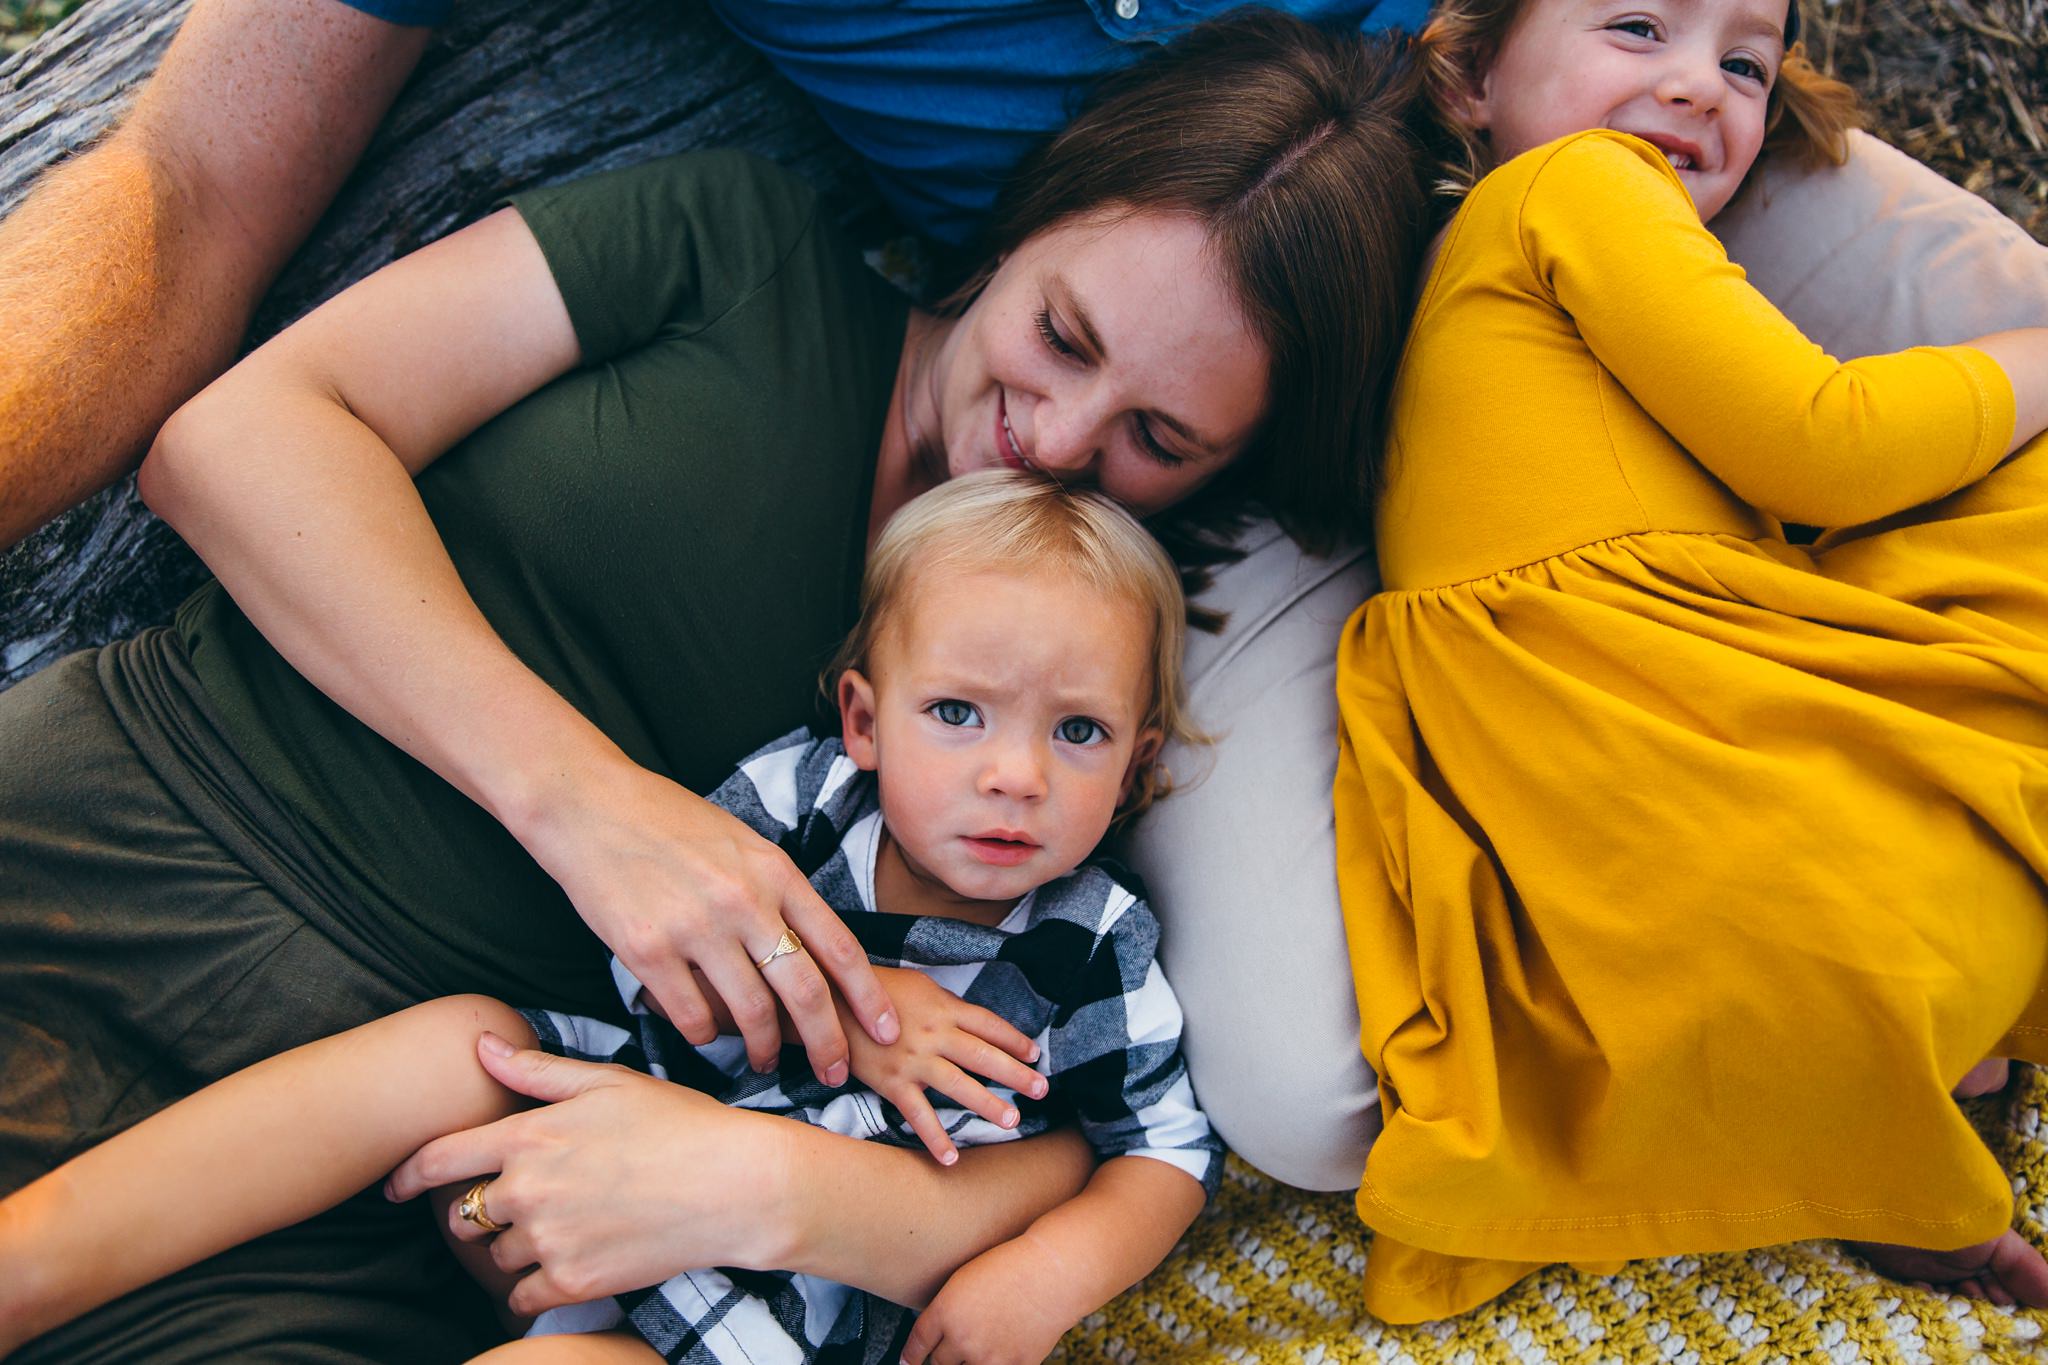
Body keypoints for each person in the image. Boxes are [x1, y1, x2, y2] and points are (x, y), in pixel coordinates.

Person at [0, 14, 1435, 1362]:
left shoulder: (1085, 659)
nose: (1050, 439)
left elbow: (1069, 1073)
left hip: (426, 1171)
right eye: (1062, 335)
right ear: (1030, 221)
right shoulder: (733, 251)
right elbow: (234, 446)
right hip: (115, 854)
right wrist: (588, 804)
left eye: (1159, 436)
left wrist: (810, 1193)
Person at [1, 469, 1231, 1365]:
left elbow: (1164, 1150)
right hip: (581, 1150)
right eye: (957, 713)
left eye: (1076, 732)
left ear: (1133, 766)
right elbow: (649, 969)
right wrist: (850, 1007)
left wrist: (1047, 1276)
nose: (1014, 773)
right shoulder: (803, 797)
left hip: (764, 1317)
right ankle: (32, 1265)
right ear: (863, 718)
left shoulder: (1090, 943)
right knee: (457, 1044)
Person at [1330, 0, 2048, 1325]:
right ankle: (1927, 1071)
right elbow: (1818, 439)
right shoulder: (1577, 184)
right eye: (1639, 27)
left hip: (1575, 791)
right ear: (1475, 70)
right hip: (1660, 695)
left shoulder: (1436, 261)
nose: (1697, 86)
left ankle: (1901, 1095)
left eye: (1743, 65)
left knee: (1835, 908)